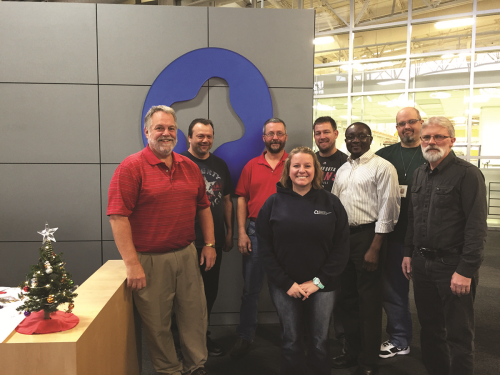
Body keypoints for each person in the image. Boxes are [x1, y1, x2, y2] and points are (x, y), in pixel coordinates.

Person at [107, 105, 216, 375]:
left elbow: (204, 206)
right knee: (158, 323)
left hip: (187, 253)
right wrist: (132, 264)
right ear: (147, 132)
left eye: (170, 128)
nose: (166, 133)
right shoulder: (131, 168)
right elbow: (118, 217)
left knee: (194, 316)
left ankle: (196, 366)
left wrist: (210, 245)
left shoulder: (189, 167)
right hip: (149, 259)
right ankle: (169, 369)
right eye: (159, 128)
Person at [403, 116, 487, 375]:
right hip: (421, 263)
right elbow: (412, 218)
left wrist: (466, 271)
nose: (431, 142)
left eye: (438, 137)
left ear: (452, 140)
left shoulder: (467, 174)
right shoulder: (419, 173)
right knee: (429, 330)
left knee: (459, 334)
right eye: (426, 137)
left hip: (453, 266)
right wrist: (407, 253)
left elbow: (476, 227)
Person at [256, 146, 350, 375]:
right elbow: (265, 249)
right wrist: (286, 283)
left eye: (307, 166)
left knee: (319, 341)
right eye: (296, 165)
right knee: (290, 339)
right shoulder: (272, 204)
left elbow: (341, 248)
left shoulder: (331, 203)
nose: (302, 170)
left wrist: (317, 282)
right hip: (285, 286)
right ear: (288, 170)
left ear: (315, 170)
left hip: (323, 286)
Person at [331, 122, 400, 375]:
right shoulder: (343, 169)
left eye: (361, 136)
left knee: (368, 302)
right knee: (347, 300)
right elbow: (336, 206)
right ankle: (352, 353)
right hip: (344, 239)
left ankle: (368, 362)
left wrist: (375, 246)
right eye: (351, 137)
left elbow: (389, 210)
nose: (355, 140)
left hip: (369, 238)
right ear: (345, 140)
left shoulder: (383, 167)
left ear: (370, 139)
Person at [230, 118, 289, 359]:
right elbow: (241, 198)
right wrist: (242, 232)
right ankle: (245, 337)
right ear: (264, 138)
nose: (275, 137)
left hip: (286, 236)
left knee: (285, 289)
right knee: (250, 291)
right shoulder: (251, 166)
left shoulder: (295, 164)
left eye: (279, 133)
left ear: (285, 136)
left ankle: (291, 337)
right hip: (255, 233)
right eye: (270, 134)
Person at [375, 107, 426, 358]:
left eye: (412, 122)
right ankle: (399, 338)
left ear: (420, 123)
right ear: (396, 128)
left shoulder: (432, 153)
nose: (407, 127)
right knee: (395, 290)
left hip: (427, 237)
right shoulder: (384, 156)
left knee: (431, 293)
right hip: (394, 236)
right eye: (401, 123)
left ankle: (434, 343)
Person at [181, 118, 234, 357]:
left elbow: (226, 200)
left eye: (209, 136)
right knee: (183, 296)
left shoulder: (220, 165)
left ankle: (202, 337)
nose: (205, 140)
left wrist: (230, 230)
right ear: (189, 138)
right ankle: (180, 341)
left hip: (214, 242)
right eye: (199, 136)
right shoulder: (179, 163)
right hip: (185, 242)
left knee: (208, 293)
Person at [313, 116, 348, 191]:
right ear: (314, 136)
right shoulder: (309, 160)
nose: (322, 137)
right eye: (318, 133)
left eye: (326, 132)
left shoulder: (347, 162)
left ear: (336, 134)